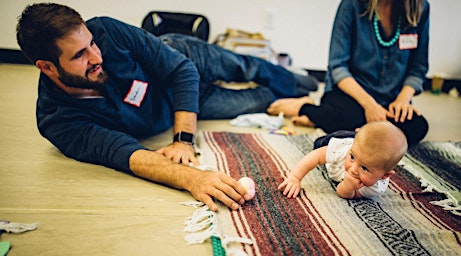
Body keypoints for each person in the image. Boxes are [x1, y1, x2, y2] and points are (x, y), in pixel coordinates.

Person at [15, 3, 317, 211]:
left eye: (92, 43)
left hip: (183, 60)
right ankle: (292, 96)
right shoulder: (58, 121)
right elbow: (123, 152)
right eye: (80, 55)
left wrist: (183, 139)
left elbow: (182, 71)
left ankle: (302, 83)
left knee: (248, 68)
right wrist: (192, 178)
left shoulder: (108, 31)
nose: (97, 57)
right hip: (179, 106)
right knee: (256, 101)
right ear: (47, 67)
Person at [267, 0, 430, 146]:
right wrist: (369, 105)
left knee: (417, 127)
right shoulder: (352, 4)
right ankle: (304, 107)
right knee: (350, 119)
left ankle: (320, 116)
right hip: (351, 93)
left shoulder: (421, 8)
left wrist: (403, 99)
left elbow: (418, 68)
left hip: (390, 99)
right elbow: (338, 67)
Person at [278, 121, 407, 199]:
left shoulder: (375, 188)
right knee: (318, 143)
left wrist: (348, 187)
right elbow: (315, 156)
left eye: (365, 168)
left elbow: (344, 194)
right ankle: (355, 134)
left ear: (384, 175)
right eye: (352, 158)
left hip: (354, 143)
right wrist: (295, 177)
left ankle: (357, 134)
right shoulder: (343, 150)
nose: (353, 169)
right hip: (342, 139)